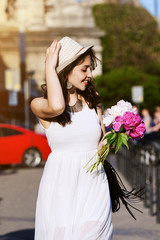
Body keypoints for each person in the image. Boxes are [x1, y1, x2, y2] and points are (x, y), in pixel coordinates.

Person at [31, 36, 113, 240]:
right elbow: (58, 106)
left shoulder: (94, 101)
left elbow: (100, 147)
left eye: (90, 68)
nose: (90, 74)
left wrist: (110, 141)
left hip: (94, 184)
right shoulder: (39, 104)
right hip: (60, 186)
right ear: (66, 71)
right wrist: (51, 66)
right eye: (84, 69)